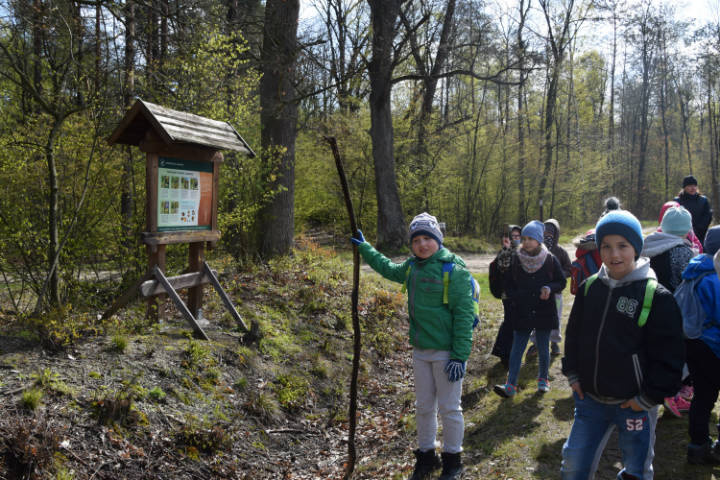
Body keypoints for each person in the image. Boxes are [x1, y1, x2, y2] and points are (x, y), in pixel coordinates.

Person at [561, 210, 685, 480]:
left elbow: (671, 355)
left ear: (636, 248)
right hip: (590, 401)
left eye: (622, 246)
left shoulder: (655, 296)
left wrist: (649, 397)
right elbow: (574, 335)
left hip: (635, 405)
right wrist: (572, 373)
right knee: (573, 465)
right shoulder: (589, 288)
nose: (614, 254)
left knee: (636, 469)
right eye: (606, 246)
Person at [351, 212, 473, 480]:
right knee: (424, 406)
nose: (422, 244)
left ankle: (453, 460)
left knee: (450, 408)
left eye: (427, 238)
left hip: (446, 353)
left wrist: (459, 356)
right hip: (420, 352)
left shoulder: (454, 271)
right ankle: (426, 456)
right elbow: (387, 268)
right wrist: (365, 248)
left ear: (437, 240)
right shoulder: (412, 267)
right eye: (416, 239)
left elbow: (464, 317)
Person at [493, 220, 566, 398]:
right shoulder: (516, 259)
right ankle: (510, 385)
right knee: (517, 348)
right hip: (522, 311)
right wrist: (515, 297)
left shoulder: (550, 259)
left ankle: (543, 380)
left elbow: (561, 281)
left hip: (544, 311)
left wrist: (549, 288)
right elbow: (508, 285)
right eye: (524, 238)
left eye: (530, 238)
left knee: (542, 347)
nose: (526, 242)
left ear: (539, 240)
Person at [643, 205, 695, 417]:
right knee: (676, 354)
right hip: (673, 310)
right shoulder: (682, 251)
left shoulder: (648, 245)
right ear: (686, 229)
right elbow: (688, 283)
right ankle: (672, 393)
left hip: (647, 307)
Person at [682, 226, 720, 464]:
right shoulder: (715, 277)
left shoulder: (694, 269)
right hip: (714, 346)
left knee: (702, 397)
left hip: (694, 343)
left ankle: (697, 446)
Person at [490, 225, 522, 367]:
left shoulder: (522, 251)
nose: (515, 239)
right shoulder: (504, 253)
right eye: (512, 236)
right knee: (510, 323)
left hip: (519, 293)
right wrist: (506, 249)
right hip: (508, 294)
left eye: (517, 236)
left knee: (512, 323)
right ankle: (505, 355)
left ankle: (504, 352)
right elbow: (503, 267)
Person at [675, 175, 712, 243]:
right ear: (684, 187)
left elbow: (707, 217)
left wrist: (697, 230)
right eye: (689, 186)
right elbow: (676, 218)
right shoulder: (677, 201)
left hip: (701, 236)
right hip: (683, 236)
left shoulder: (703, 200)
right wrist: (687, 231)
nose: (693, 188)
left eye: (694, 185)